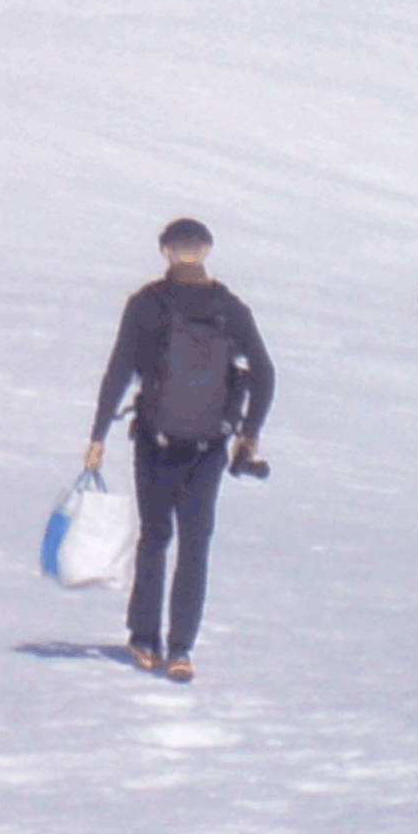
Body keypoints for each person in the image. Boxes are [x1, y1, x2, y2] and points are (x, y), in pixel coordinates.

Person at [83, 218, 274, 680]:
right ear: (206, 251)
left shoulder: (147, 304)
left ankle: (144, 638)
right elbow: (265, 373)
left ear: (165, 252)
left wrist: (98, 435)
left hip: (154, 439)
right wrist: (248, 434)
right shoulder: (229, 307)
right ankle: (181, 649)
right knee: (195, 545)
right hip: (209, 446)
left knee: (155, 536)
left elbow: (118, 372)